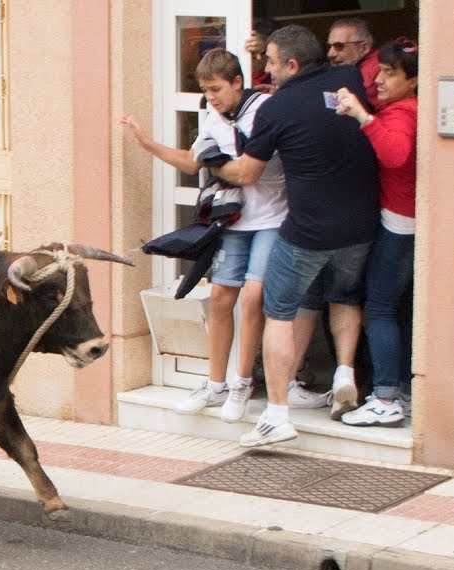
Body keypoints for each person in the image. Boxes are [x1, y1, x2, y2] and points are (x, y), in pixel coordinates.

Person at [211, 25, 379, 447]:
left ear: (291, 64)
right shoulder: (350, 80)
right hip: (361, 224)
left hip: (308, 231)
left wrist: (212, 165)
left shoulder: (276, 107)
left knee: (279, 311)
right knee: (344, 297)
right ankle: (343, 372)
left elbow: (247, 172)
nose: (264, 69)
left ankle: (277, 413)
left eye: (269, 61)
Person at [121, 48, 287, 422]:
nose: (211, 97)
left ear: (238, 83)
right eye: (206, 90)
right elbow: (193, 160)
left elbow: (250, 172)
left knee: (253, 297)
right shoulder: (213, 117)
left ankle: (242, 383)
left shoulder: (266, 109)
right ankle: (215, 385)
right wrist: (148, 145)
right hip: (232, 222)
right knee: (221, 298)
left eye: (216, 89)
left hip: (272, 218)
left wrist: (223, 168)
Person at [335, 38, 419, 427]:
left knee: (381, 308)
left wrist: (363, 118)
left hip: (399, 224)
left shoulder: (402, 114)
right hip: (406, 221)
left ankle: (385, 397)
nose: (380, 80)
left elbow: (395, 155)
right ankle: (401, 387)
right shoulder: (401, 106)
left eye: (390, 73)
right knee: (400, 309)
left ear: (412, 80)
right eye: (380, 71)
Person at [327, 17, 383, 111]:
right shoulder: (351, 67)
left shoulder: (377, 69)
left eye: (339, 46)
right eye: (329, 46)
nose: (330, 54)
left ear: (364, 48)